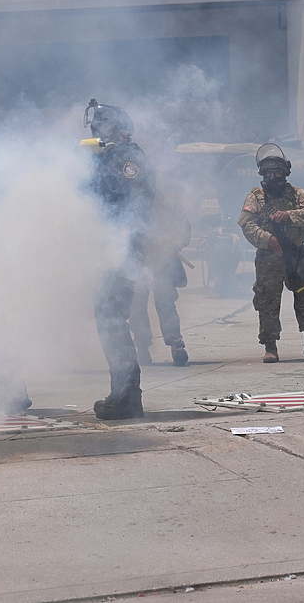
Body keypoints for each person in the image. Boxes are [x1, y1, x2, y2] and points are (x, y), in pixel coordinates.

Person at [84, 99, 155, 420]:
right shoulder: (102, 157)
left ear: (122, 131)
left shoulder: (129, 157)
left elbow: (128, 195)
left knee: (112, 317)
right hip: (107, 248)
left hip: (125, 247)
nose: (98, 131)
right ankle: (124, 393)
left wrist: (99, 163)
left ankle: (127, 396)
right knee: (107, 316)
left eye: (104, 126)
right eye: (96, 126)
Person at [238, 143, 304, 363]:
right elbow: (247, 224)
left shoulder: (298, 195)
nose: (272, 175)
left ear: (285, 172)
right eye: (268, 171)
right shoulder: (256, 198)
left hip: (296, 255)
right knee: (267, 301)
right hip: (269, 258)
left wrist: (288, 216)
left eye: (277, 171)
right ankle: (270, 347)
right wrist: (268, 239)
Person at [130, 191, 191, 366]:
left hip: (163, 262)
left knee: (166, 303)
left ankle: (176, 345)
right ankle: (142, 346)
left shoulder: (169, 203)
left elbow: (185, 229)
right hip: (137, 261)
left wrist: (172, 244)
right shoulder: (130, 201)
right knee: (137, 305)